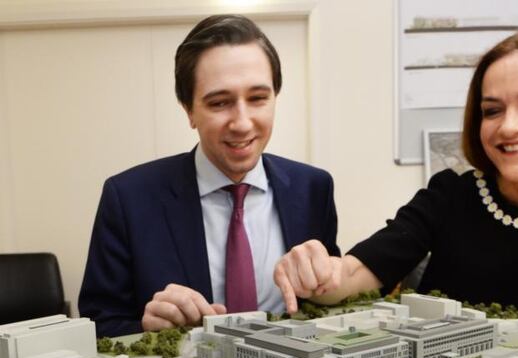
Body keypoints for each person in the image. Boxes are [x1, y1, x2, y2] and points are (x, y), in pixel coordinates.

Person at [274, 27, 518, 325]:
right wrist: (317, 272)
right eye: (492, 111)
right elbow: (358, 272)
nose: (508, 126)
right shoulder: (450, 194)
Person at [80, 15, 339, 337]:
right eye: (220, 103)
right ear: (189, 110)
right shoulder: (129, 198)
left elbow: (328, 301)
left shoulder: (313, 188)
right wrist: (145, 329)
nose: (242, 123)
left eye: (258, 98)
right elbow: (98, 325)